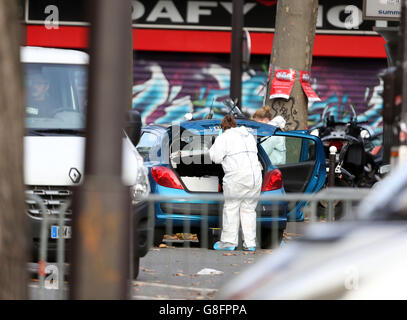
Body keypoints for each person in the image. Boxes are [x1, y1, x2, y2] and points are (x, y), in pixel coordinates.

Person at [209, 114, 262, 251]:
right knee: (249, 209)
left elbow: (215, 158)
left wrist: (214, 143)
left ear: (222, 127)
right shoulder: (249, 136)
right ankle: (250, 243)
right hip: (255, 176)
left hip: (237, 177)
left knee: (231, 208)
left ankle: (228, 242)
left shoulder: (224, 137)